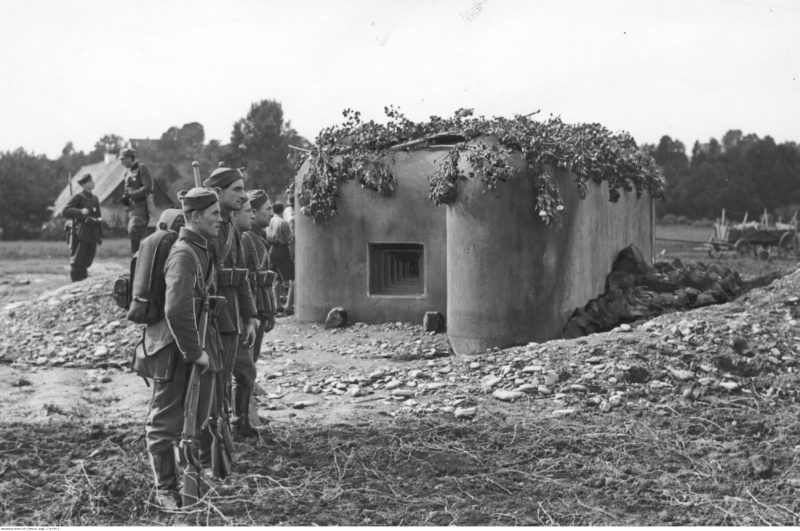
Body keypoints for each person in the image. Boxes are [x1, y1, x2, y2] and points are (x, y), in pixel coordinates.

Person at [144, 187, 222, 509]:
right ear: (195, 217)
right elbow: (175, 309)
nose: (220, 219)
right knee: (164, 423)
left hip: (189, 345)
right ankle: (165, 489)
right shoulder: (184, 254)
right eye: (214, 213)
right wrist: (194, 353)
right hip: (174, 350)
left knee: (194, 416)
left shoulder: (200, 248)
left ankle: (186, 479)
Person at [202, 166, 258, 437]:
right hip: (214, 318)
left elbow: (242, 276)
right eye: (236, 189)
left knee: (242, 373)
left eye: (243, 189)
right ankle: (214, 436)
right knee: (215, 382)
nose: (243, 195)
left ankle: (236, 425)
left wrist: (249, 316)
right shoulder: (207, 230)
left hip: (233, 318)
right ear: (218, 192)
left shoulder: (231, 230)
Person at [241, 190, 277, 364]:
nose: (271, 213)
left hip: (261, 309)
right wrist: (250, 315)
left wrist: (270, 311)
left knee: (252, 360)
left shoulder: (258, 237)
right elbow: (243, 280)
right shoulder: (246, 238)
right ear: (253, 212)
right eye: (267, 209)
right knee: (246, 364)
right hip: (252, 311)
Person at [62, 173, 102, 282]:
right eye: (90, 181)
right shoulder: (79, 197)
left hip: (93, 234)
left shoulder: (95, 198)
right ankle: (75, 282)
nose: (92, 183)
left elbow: (98, 216)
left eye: (92, 181)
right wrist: (80, 211)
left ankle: (83, 281)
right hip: (81, 234)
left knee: (86, 261)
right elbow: (65, 211)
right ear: (84, 185)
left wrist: (99, 234)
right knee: (77, 261)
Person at [120, 147, 154, 254]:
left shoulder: (141, 168)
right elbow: (127, 190)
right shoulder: (126, 173)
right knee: (132, 233)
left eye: (123, 159)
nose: (121, 162)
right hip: (131, 208)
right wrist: (125, 199)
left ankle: (136, 258)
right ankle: (135, 257)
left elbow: (147, 188)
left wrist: (132, 195)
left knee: (134, 230)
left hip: (141, 205)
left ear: (131, 158)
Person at [266, 202, 295, 315]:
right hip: (282, 250)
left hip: (272, 250)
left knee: (276, 279)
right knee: (293, 278)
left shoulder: (270, 221)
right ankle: (288, 306)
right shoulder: (283, 223)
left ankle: (277, 305)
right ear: (282, 210)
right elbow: (289, 238)